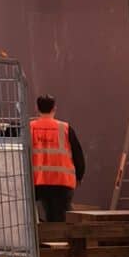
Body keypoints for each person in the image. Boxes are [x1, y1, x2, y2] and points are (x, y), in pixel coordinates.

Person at [30, 93, 85, 223]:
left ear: (36, 108)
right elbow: (78, 155)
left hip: (38, 181)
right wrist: (79, 176)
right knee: (62, 217)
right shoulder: (65, 128)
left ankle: (45, 239)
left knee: (39, 214)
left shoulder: (29, 128)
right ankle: (62, 241)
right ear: (54, 108)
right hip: (62, 181)